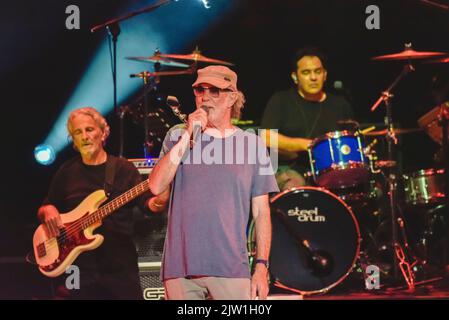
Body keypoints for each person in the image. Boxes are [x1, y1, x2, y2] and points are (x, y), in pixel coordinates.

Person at [148, 65, 279, 300]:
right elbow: (156, 186)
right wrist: (189, 134)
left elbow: (261, 212)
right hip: (181, 268)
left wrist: (261, 267)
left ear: (231, 98)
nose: (205, 96)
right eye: (200, 89)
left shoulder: (252, 145)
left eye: (214, 90)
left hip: (231, 267)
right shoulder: (177, 136)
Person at [37, 107, 152, 299]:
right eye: (77, 132)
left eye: (89, 130)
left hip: (119, 269)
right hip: (78, 271)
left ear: (102, 132)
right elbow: (45, 207)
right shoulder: (66, 172)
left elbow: (149, 205)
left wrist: (162, 194)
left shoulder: (123, 169)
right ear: (73, 140)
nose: (84, 136)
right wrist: (47, 210)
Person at [261, 46, 354, 190]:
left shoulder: (340, 104)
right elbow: (265, 137)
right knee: (294, 186)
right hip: (291, 169)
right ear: (295, 76)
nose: (313, 77)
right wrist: (306, 145)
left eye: (318, 71)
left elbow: (350, 142)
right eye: (306, 72)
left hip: (331, 170)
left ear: (325, 74)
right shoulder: (281, 100)